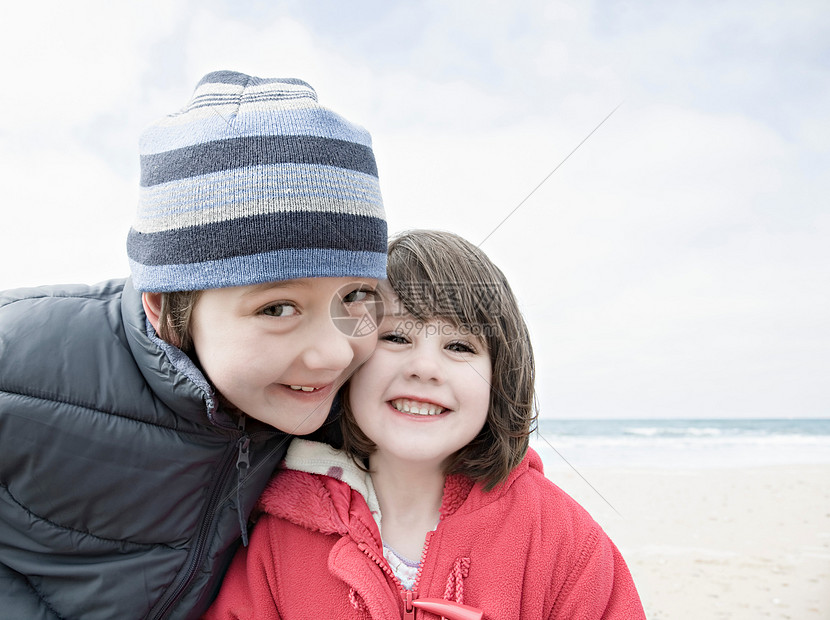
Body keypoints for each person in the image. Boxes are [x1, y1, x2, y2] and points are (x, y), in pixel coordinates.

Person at [0, 70, 387, 619]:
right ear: (164, 306)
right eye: (277, 308)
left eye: (354, 297)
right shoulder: (18, 358)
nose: (333, 353)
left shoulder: (336, 401)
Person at [205, 230, 646, 619]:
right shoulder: (280, 532)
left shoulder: (561, 538)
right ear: (348, 359)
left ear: (501, 378)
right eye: (395, 338)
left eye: (459, 345)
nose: (425, 368)